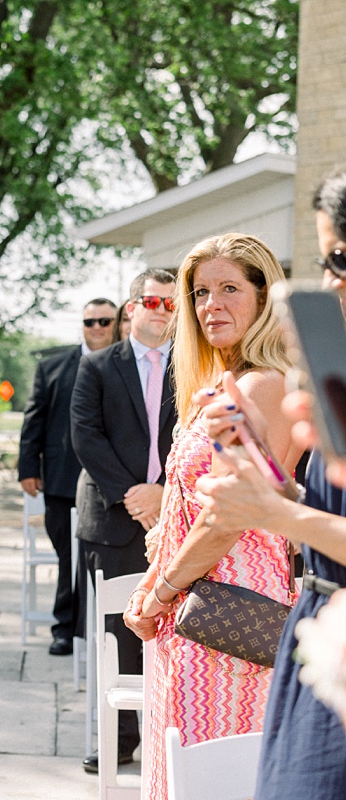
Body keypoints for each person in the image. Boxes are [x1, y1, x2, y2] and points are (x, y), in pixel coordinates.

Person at [182, 179, 346, 799]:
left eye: (340, 260)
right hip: (322, 635)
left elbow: (290, 523)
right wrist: (256, 471)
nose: (329, 283)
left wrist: (273, 512)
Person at [119, 234, 296, 800]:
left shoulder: (262, 384)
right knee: (183, 767)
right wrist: (163, 549)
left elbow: (228, 516)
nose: (210, 305)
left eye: (229, 289)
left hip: (230, 611)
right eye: (199, 292)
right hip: (194, 601)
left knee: (213, 776)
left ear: (263, 296)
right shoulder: (224, 383)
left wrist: (162, 589)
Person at [71, 268, 178, 773]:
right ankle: (119, 739)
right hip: (114, 517)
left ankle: (169, 730)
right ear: (132, 307)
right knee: (118, 630)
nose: (162, 311)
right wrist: (135, 496)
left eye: (172, 304)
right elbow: (86, 435)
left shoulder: (197, 365)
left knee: (172, 626)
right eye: (153, 301)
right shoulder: (97, 366)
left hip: (175, 515)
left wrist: (165, 495)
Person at [18, 298, 117, 655]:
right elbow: (35, 419)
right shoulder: (54, 367)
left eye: (105, 321)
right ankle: (64, 629)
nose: (97, 328)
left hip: (111, 482)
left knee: (102, 561)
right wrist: (28, 468)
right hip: (60, 480)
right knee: (67, 556)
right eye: (90, 321)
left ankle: (102, 629)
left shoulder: (125, 365)